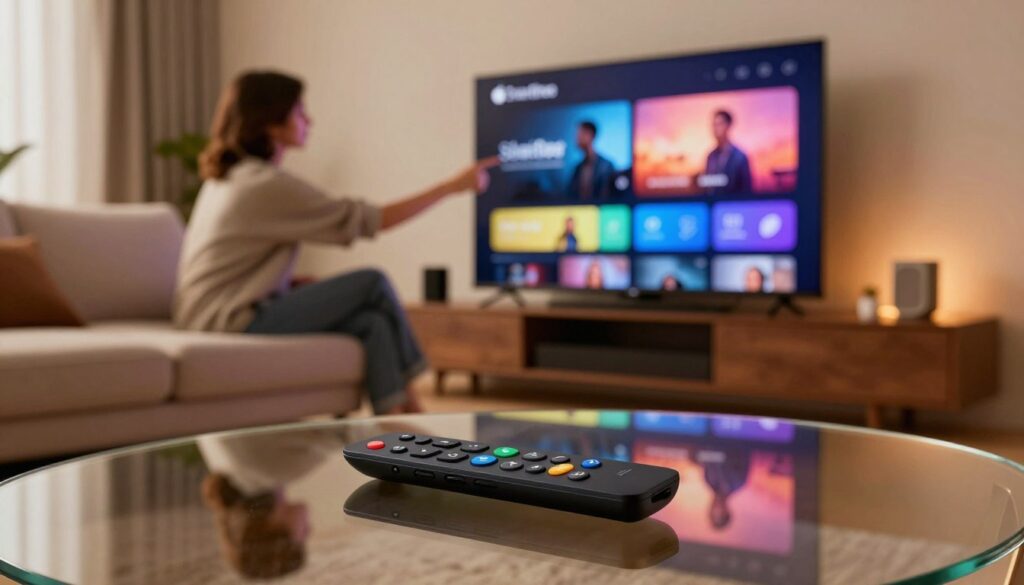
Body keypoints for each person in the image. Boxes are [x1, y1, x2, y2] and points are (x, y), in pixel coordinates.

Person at [173, 71, 497, 415]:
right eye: (299, 112)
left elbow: (231, 262)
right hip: (228, 320)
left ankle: (395, 428)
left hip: (209, 313)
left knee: (371, 324)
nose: (308, 120)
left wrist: (284, 283)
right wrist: (453, 186)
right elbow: (372, 221)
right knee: (373, 282)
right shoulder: (265, 184)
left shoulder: (232, 178)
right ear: (272, 123)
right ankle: (418, 413)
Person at [704, 110, 752, 195]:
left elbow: (746, 189)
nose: (715, 129)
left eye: (719, 124)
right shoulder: (711, 156)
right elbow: (707, 186)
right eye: (714, 125)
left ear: (728, 126)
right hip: (713, 204)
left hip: (734, 206)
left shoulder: (740, 157)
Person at [566, 121, 615, 200]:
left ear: (590, 135)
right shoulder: (577, 168)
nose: (576, 138)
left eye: (579, 134)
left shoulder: (606, 166)